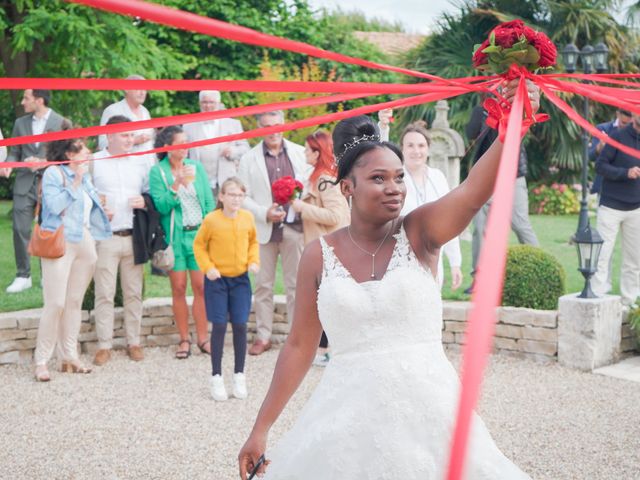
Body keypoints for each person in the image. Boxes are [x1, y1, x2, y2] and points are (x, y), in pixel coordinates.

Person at [238, 80, 539, 479]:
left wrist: (514, 128)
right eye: (379, 179)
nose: (394, 188)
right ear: (348, 187)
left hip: (430, 416)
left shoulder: (420, 231)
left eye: (398, 177)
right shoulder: (319, 255)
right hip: (345, 422)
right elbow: (298, 346)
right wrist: (261, 428)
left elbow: (470, 193)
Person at [33, 137, 112, 382]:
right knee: (55, 303)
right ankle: (41, 360)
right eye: (83, 149)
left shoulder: (85, 175)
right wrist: (76, 181)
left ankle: (69, 355)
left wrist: (103, 209)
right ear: (69, 152)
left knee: (74, 301)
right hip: (60, 241)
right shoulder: (54, 174)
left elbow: (90, 205)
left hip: (84, 241)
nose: (88, 152)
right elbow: (55, 206)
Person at [237, 111, 308, 356]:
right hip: (264, 229)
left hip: (294, 228)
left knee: (295, 284)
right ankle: (263, 335)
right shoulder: (248, 159)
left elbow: (308, 188)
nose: (272, 131)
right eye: (266, 127)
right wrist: (262, 212)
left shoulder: (299, 153)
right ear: (259, 128)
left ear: (284, 126)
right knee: (263, 285)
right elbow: (241, 195)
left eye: (276, 126)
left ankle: (295, 337)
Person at [149, 126, 215, 359]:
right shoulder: (159, 172)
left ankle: (203, 338)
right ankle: (184, 339)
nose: (186, 147)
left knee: (201, 287)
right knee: (178, 288)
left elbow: (208, 201)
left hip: (197, 235)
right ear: (169, 148)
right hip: (175, 238)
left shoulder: (196, 168)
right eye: (181, 143)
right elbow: (162, 206)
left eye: (187, 142)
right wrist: (176, 184)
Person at [193, 177, 260, 401]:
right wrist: (208, 267)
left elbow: (253, 242)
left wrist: (253, 261)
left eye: (240, 195)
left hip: (240, 280)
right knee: (220, 325)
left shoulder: (247, 218)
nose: (236, 199)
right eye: (231, 194)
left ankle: (239, 375)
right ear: (221, 197)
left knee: (240, 325)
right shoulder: (211, 220)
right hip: (217, 280)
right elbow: (199, 246)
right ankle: (216, 376)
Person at [91, 115, 150, 365]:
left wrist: (144, 201)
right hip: (105, 237)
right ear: (109, 136)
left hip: (132, 235)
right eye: (125, 135)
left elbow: (149, 193)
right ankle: (104, 344)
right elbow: (85, 193)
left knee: (133, 292)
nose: (130, 139)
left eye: (131, 135)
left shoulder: (140, 162)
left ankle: (133, 341)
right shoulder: (95, 161)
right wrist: (97, 208)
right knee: (104, 292)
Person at [290, 129, 349, 366]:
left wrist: (302, 208)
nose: (304, 152)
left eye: (307, 149)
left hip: (330, 250)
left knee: (328, 302)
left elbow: (336, 215)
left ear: (316, 152)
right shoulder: (318, 176)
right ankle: (324, 348)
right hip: (321, 247)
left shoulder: (325, 179)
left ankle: (329, 350)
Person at [465, 101, 539, 293]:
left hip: (512, 175)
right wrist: (482, 112)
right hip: (486, 177)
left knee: (520, 224)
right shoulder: (480, 109)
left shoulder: (517, 106)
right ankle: (478, 279)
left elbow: (518, 134)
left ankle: (539, 268)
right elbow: (471, 134)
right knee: (480, 227)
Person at [5, 89, 65, 293]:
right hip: (24, 183)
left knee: (47, 229)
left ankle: (47, 274)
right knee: (20, 229)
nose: (22, 102)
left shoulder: (61, 122)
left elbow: (67, 154)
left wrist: (44, 162)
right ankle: (23, 275)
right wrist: (9, 165)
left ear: (39, 100)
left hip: (50, 183)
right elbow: (14, 152)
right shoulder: (20, 123)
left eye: (26, 98)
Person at [399, 121, 463, 290]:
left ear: (428, 148)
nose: (416, 151)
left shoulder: (438, 178)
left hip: (433, 262)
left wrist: (455, 263)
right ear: (402, 149)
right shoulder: (395, 179)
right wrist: (384, 127)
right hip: (402, 262)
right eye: (410, 145)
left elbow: (449, 220)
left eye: (421, 145)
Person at [592, 113, 640, 306]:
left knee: (634, 259)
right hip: (611, 206)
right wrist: (625, 173)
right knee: (602, 255)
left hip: (637, 208)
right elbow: (600, 166)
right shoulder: (618, 136)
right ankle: (597, 297)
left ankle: (630, 302)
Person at [183, 90, 250, 196]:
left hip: (225, 181)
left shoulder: (233, 124)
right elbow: (183, 153)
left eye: (212, 102)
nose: (208, 105)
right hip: (198, 182)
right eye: (205, 102)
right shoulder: (188, 126)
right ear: (200, 104)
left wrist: (233, 151)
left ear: (218, 104)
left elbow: (246, 148)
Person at [99, 74, 155, 168]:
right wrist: (134, 140)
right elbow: (103, 144)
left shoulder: (145, 112)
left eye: (145, 89)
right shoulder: (113, 111)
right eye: (138, 89)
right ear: (126, 89)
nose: (142, 93)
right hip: (123, 169)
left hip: (148, 170)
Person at [589, 108, 633, 196]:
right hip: (604, 187)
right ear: (618, 114)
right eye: (623, 123)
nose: (625, 127)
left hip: (629, 188)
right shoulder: (603, 129)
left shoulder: (635, 132)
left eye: (629, 124)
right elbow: (590, 156)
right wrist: (599, 147)